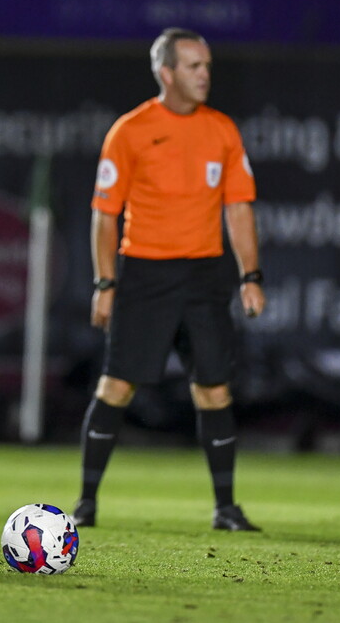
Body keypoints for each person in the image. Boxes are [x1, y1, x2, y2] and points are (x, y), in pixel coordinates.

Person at [73, 28, 266, 532]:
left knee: (214, 391)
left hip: (204, 276)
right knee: (116, 386)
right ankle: (86, 504)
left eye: (207, 65)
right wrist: (105, 284)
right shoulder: (131, 130)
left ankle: (226, 508)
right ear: (167, 73)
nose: (205, 74)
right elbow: (104, 215)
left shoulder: (222, 130)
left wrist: (251, 275)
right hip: (144, 275)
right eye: (194, 66)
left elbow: (239, 208)